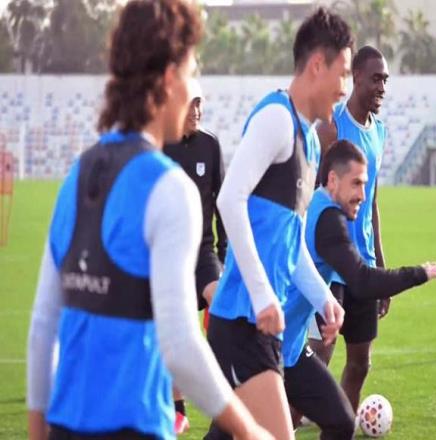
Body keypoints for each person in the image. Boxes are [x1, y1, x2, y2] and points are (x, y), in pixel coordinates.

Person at [26, 1, 273, 439]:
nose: (194, 88)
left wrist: (36, 431)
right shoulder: (169, 188)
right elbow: (179, 343)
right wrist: (250, 430)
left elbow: (44, 326)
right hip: (134, 425)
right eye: (192, 71)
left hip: (64, 426)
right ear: (169, 78)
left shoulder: (79, 173)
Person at [205, 8, 354, 440]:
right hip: (241, 323)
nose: (344, 88)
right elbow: (229, 199)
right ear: (317, 65)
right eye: (343, 73)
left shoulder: (310, 142)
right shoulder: (275, 119)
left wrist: (323, 298)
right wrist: (261, 293)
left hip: (265, 328)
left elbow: (292, 245)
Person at [283, 140, 436, 438]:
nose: (363, 194)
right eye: (356, 183)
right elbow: (362, 280)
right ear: (333, 180)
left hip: (289, 348)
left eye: (365, 184)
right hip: (263, 343)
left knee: (341, 421)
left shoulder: (317, 204)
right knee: (240, 430)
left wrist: (326, 303)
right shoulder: (328, 219)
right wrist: (419, 273)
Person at [311, 45, 391, 413]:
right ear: (356, 77)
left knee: (360, 363)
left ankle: (338, 426)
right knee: (318, 355)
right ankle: (286, 422)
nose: (382, 87)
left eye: (385, 80)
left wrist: (381, 266)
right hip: (331, 262)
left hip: (364, 263)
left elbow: (371, 200)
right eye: (376, 79)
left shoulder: (380, 132)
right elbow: (313, 195)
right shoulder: (331, 127)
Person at [163, 95, 226, 434]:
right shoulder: (160, 146)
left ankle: (228, 382)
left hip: (202, 251)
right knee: (177, 329)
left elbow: (223, 202)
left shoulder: (210, 145)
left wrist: (224, 253)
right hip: (170, 253)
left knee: (223, 301)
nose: (197, 111)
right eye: (190, 104)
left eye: (200, 104)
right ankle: (178, 409)